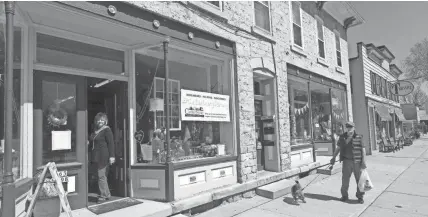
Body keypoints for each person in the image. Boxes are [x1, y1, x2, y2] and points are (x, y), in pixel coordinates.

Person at [330, 121, 367, 204]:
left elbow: (363, 150)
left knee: (359, 180)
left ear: (354, 128)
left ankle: (360, 197)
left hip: (357, 161)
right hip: (347, 161)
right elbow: (338, 148)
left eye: (350, 127)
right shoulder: (342, 137)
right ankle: (344, 196)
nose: (349, 128)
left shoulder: (359, 137)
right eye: (347, 127)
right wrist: (333, 157)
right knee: (345, 180)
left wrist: (364, 161)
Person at [89, 112, 115, 202]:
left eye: (102, 119)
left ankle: (103, 196)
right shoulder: (95, 130)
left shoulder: (107, 130)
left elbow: (111, 143)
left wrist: (112, 156)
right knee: (101, 176)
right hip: (96, 156)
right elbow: (92, 140)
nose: (100, 121)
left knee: (101, 176)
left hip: (103, 156)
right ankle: (107, 194)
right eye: (98, 119)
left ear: (105, 121)